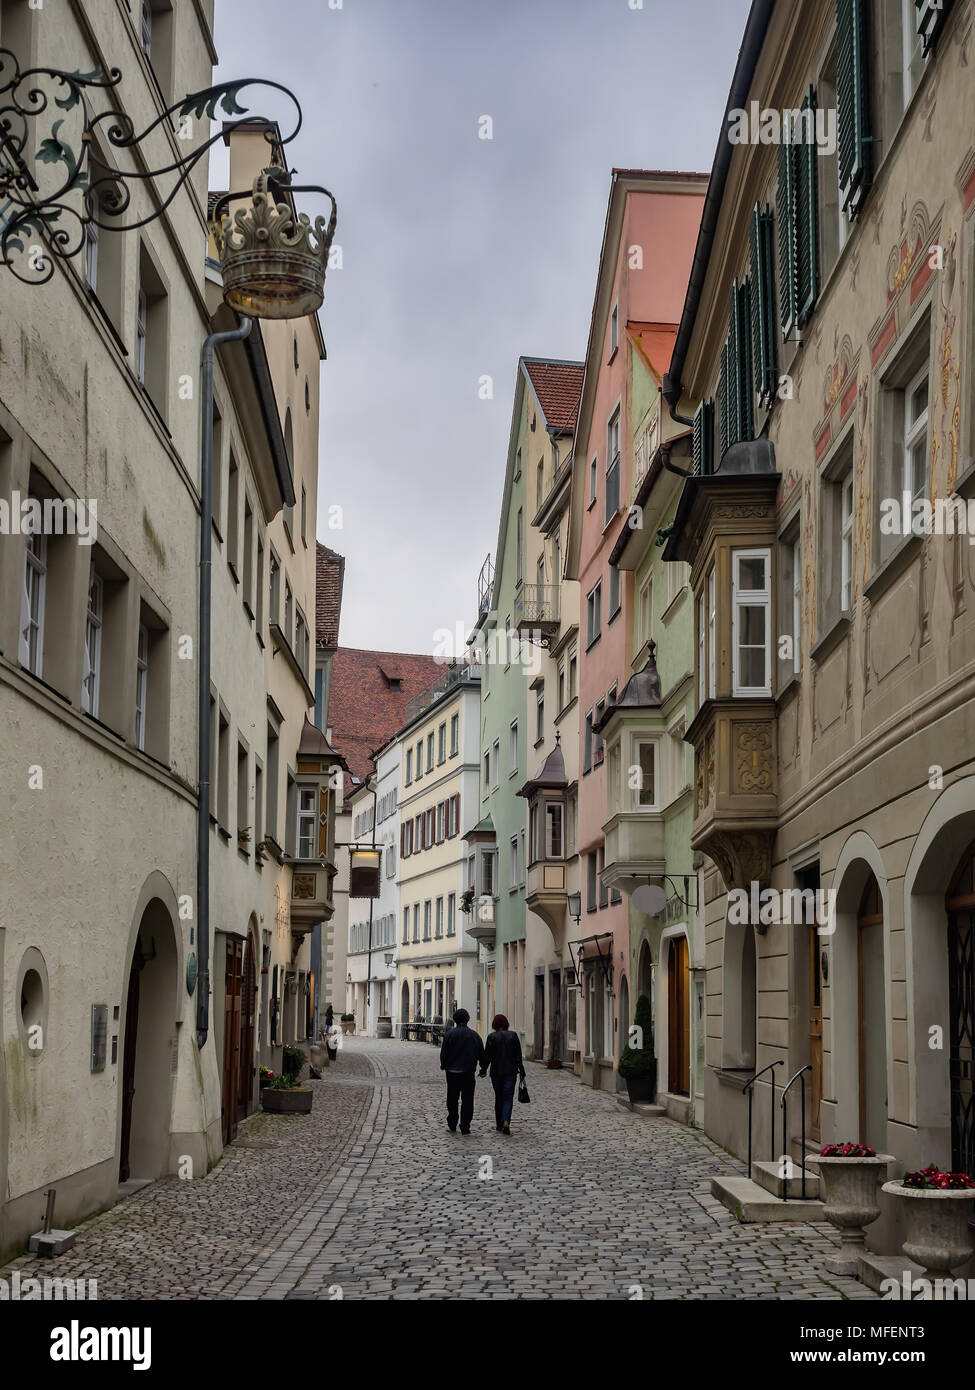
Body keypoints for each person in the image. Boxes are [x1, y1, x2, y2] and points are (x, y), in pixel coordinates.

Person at [439, 1007, 484, 1134]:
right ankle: (465, 1125)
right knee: (467, 1099)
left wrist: (444, 1064)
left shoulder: (449, 1034)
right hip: (468, 1072)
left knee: (452, 1098)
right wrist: (483, 1067)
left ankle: (452, 1122)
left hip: (452, 1072)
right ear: (468, 1020)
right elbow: (481, 1052)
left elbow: (444, 1053)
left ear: (455, 1020)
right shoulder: (474, 1035)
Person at [480, 1014, 525, 1135]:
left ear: (494, 1025)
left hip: (496, 1072)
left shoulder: (491, 1037)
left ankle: (499, 1124)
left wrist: (483, 1069)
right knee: (508, 1097)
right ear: (506, 1024)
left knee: (498, 1097)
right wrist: (522, 1071)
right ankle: (506, 1121)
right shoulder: (513, 1036)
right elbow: (518, 1056)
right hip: (510, 1072)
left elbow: (487, 1056)